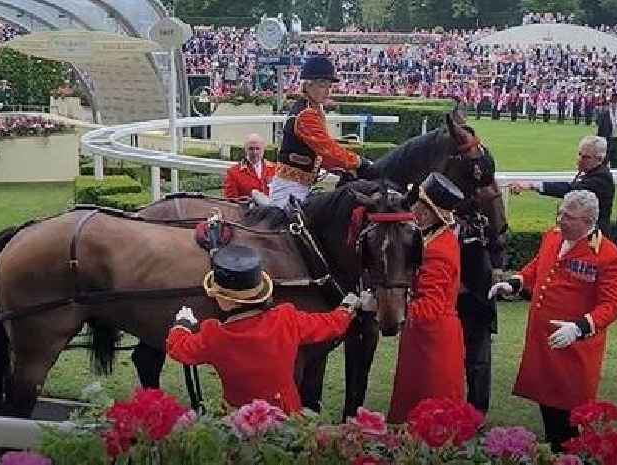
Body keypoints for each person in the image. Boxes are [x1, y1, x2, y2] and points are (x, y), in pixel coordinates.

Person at [488, 190, 617, 452]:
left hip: (575, 350)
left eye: (569, 217)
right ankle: (554, 450)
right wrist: (515, 282)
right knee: (547, 406)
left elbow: (613, 305)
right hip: (543, 343)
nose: (561, 220)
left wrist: (579, 328)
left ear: (588, 221)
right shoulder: (553, 237)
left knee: (569, 418)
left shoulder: (609, 256)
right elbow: (538, 265)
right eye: (560, 213)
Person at [166, 245, 361, 413]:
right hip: (287, 415)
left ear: (224, 300)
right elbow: (331, 324)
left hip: (239, 419)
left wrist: (182, 324)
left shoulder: (214, 335)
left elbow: (179, 348)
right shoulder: (286, 319)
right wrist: (347, 307)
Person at [385, 172, 466, 423]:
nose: (415, 211)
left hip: (432, 342)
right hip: (424, 337)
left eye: (421, 207)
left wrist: (391, 307)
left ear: (433, 213)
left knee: (430, 417)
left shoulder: (439, 250)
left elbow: (430, 307)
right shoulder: (432, 237)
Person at [268, 56, 371, 208]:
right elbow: (327, 150)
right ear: (308, 85)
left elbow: (323, 156)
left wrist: (344, 168)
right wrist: (359, 162)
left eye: (329, 86)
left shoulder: (314, 109)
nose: (328, 91)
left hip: (303, 186)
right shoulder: (306, 115)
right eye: (323, 85)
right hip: (289, 188)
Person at [509, 136, 615, 236]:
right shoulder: (589, 172)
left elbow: (569, 190)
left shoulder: (601, 178)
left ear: (599, 159)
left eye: (586, 157)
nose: (580, 160)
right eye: (579, 154)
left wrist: (532, 185)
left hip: (594, 236)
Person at [223, 133, 275, 199]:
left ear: (263, 149)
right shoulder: (233, 172)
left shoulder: (274, 169)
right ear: (245, 150)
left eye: (258, 148)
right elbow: (231, 201)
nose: (255, 152)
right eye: (251, 149)